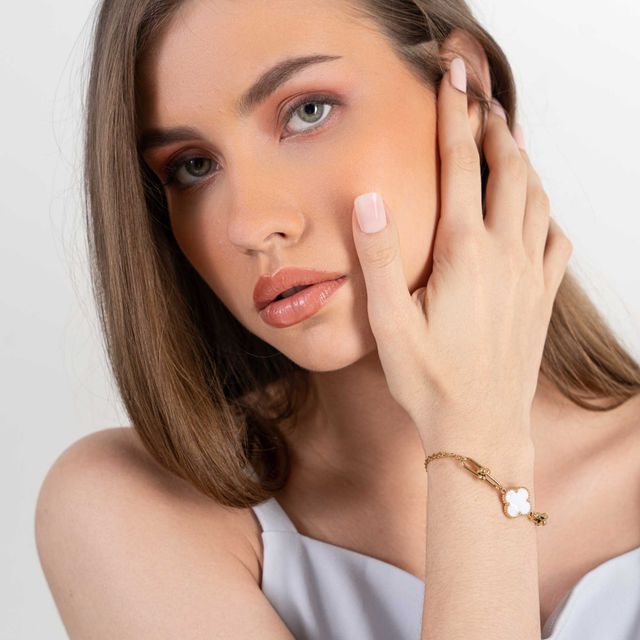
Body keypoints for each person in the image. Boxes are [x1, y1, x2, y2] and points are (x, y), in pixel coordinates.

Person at [35, 0, 640, 638]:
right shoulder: (132, 506)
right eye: (193, 166)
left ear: (464, 87)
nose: (249, 225)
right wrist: (477, 434)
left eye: (307, 111)